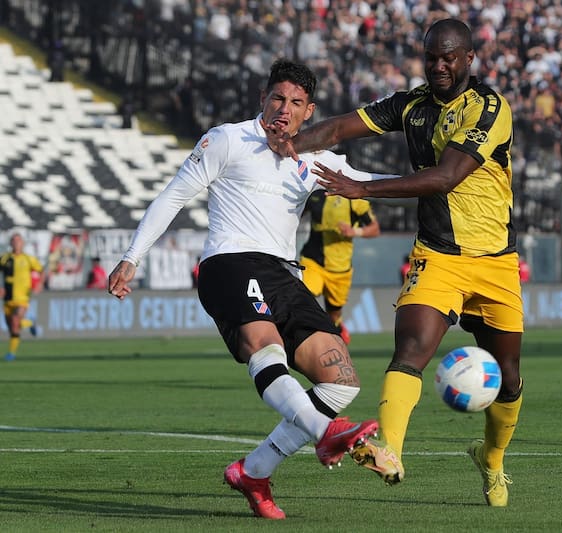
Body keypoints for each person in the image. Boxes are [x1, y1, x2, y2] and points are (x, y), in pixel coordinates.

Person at [107, 60, 391, 520]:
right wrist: (131, 256)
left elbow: (371, 183)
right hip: (230, 262)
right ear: (263, 98)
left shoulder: (315, 158)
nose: (284, 109)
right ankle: (327, 433)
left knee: (341, 381)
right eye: (277, 98)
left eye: (296, 103)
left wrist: (442, 183)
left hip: (285, 274)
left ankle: (254, 471)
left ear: (309, 111)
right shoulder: (227, 139)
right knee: (266, 344)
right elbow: (174, 195)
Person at [268, 19, 523, 507]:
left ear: (469, 59)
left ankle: (491, 461)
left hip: (495, 261)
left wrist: (362, 188)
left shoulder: (490, 109)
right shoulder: (411, 105)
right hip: (437, 255)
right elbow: (339, 128)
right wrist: (291, 142)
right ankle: (389, 451)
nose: (439, 66)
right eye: (432, 58)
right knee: (410, 349)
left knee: (509, 378)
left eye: (449, 57)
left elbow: (445, 177)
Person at [299, 191, 380, 344]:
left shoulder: (355, 199)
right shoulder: (314, 194)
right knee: (304, 296)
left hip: (340, 268)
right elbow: (297, 215)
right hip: (312, 261)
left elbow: (374, 229)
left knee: (334, 314)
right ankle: (304, 336)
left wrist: (354, 231)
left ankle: (337, 331)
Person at [1, 233, 44, 361]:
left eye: (18, 240)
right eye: (13, 241)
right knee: (12, 327)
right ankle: (29, 323)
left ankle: (11, 353)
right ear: (10, 243)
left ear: (23, 243)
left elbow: (41, 271)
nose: (16, 243)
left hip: (22, 297)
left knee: (15, 320)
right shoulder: (4, 258)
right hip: (8, 298)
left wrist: (40, 284)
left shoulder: (28, 259)